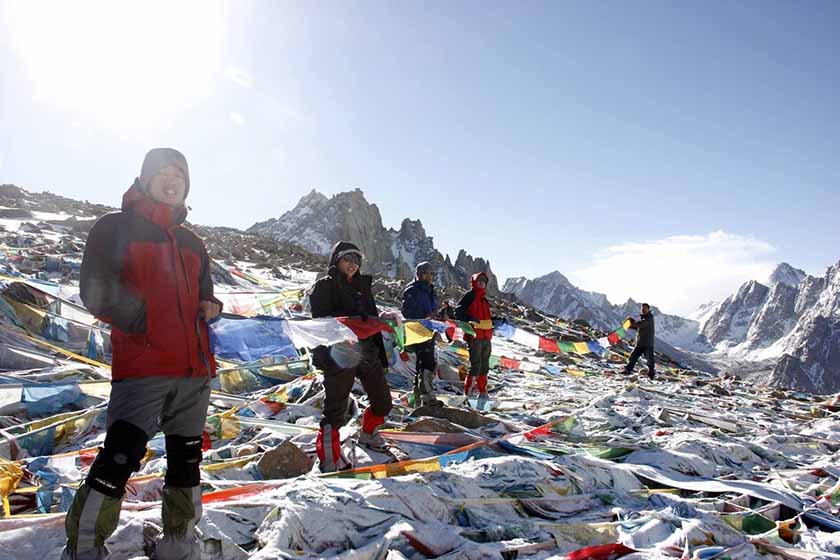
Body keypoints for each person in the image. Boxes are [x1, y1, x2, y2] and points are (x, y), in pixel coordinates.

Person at [63, 148, 222, 560]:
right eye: (164, 173)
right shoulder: (115, 228)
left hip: (193, 372)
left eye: (180, 176)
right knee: (120, 459)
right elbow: (95, 287)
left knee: (186, 462)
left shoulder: (193, 242)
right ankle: (84, 550)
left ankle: (179, 542)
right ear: (146, 178)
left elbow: (205, 292)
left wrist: (211, 305)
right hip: (143, 367)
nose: (173, 181)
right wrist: (147, 319)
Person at [309, 241, 393, 472]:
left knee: (383, 401)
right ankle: (329, 457)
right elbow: (321, 321)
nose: (353, 265)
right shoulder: (323, 286)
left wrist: (379, 320)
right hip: (339, 354)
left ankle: (368, 433)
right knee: (335, 411)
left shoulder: (362, 286)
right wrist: (354, 323)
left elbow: (371, 316)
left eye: (357, 260)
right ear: (336, 260)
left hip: (367, 352)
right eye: (348, 259)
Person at [401, 262, 442, 406]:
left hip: (429, 331)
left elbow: (433, 309)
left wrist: (438, 315)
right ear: (418, 274)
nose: (429, 276)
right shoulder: (412, 290)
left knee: (423, 364)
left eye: (431, 274)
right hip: (417, 331)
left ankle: (417, 398)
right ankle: (428, 397)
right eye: (426, 273)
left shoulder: (430, 291)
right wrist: (425, 316)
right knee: (427, 363)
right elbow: (407, 312)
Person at [455, 272, 493, 404]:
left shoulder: (484, 299)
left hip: (486, 337)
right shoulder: (470, 296)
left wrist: (497, 321)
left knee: (484, 366)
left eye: (484, 281)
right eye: (479, 281)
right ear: (474, 282)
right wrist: (469, 319)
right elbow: (458, 312)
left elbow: (486, 317)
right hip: (474, 336)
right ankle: (468, 393)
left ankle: (483, 393)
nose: (481, 283)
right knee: (476, 365)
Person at [623, 303, 656, 380]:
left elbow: (640, 325)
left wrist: (631, 321)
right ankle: (627, 370)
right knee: (632, 358)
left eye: (645, 308)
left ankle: (651, 374)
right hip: (639, 344)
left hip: (647, 344)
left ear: (648, 309)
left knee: (649, 360)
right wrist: (629, 325)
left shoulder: (649, 318)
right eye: (642, 308)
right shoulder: (644, 318)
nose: (643, 310)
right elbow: (638, 327)